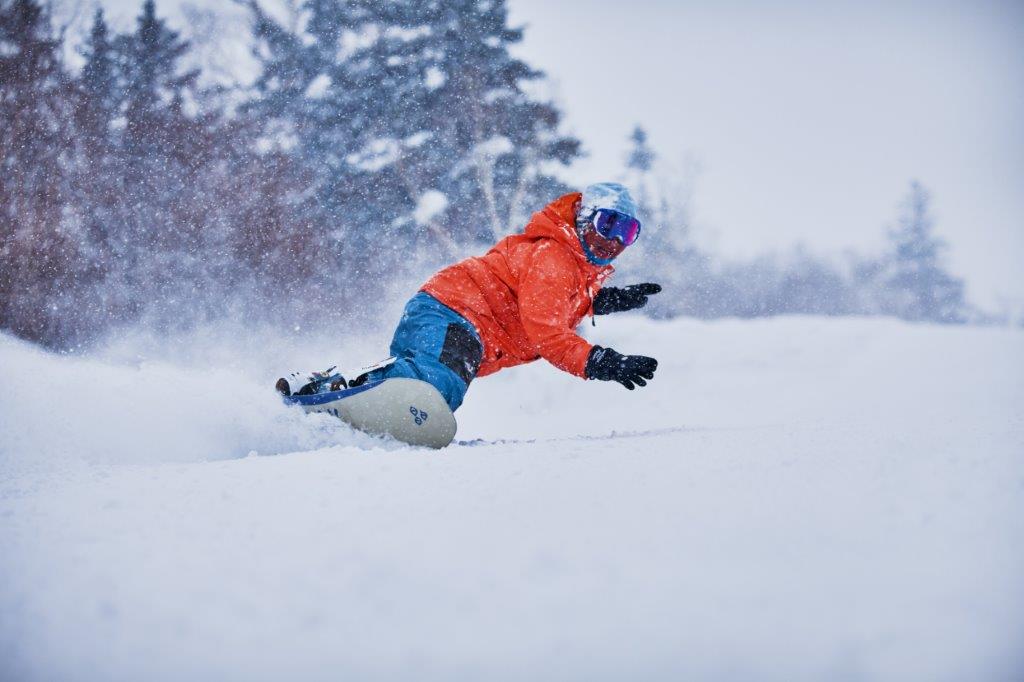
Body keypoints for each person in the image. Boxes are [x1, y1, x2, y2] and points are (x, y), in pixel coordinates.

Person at [277, 182, 660, 412]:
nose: (613, 240)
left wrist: (604, 300)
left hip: (454, 317)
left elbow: (552, 300)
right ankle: (335, 391)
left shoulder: (571, 269)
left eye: (627, 232)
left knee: (435, 391)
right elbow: (547, 331)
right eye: (607, 223)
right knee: (434, 389)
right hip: (455, 312)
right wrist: (602, 362)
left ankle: (333, 392)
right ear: (582, 218)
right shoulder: (554, 258)